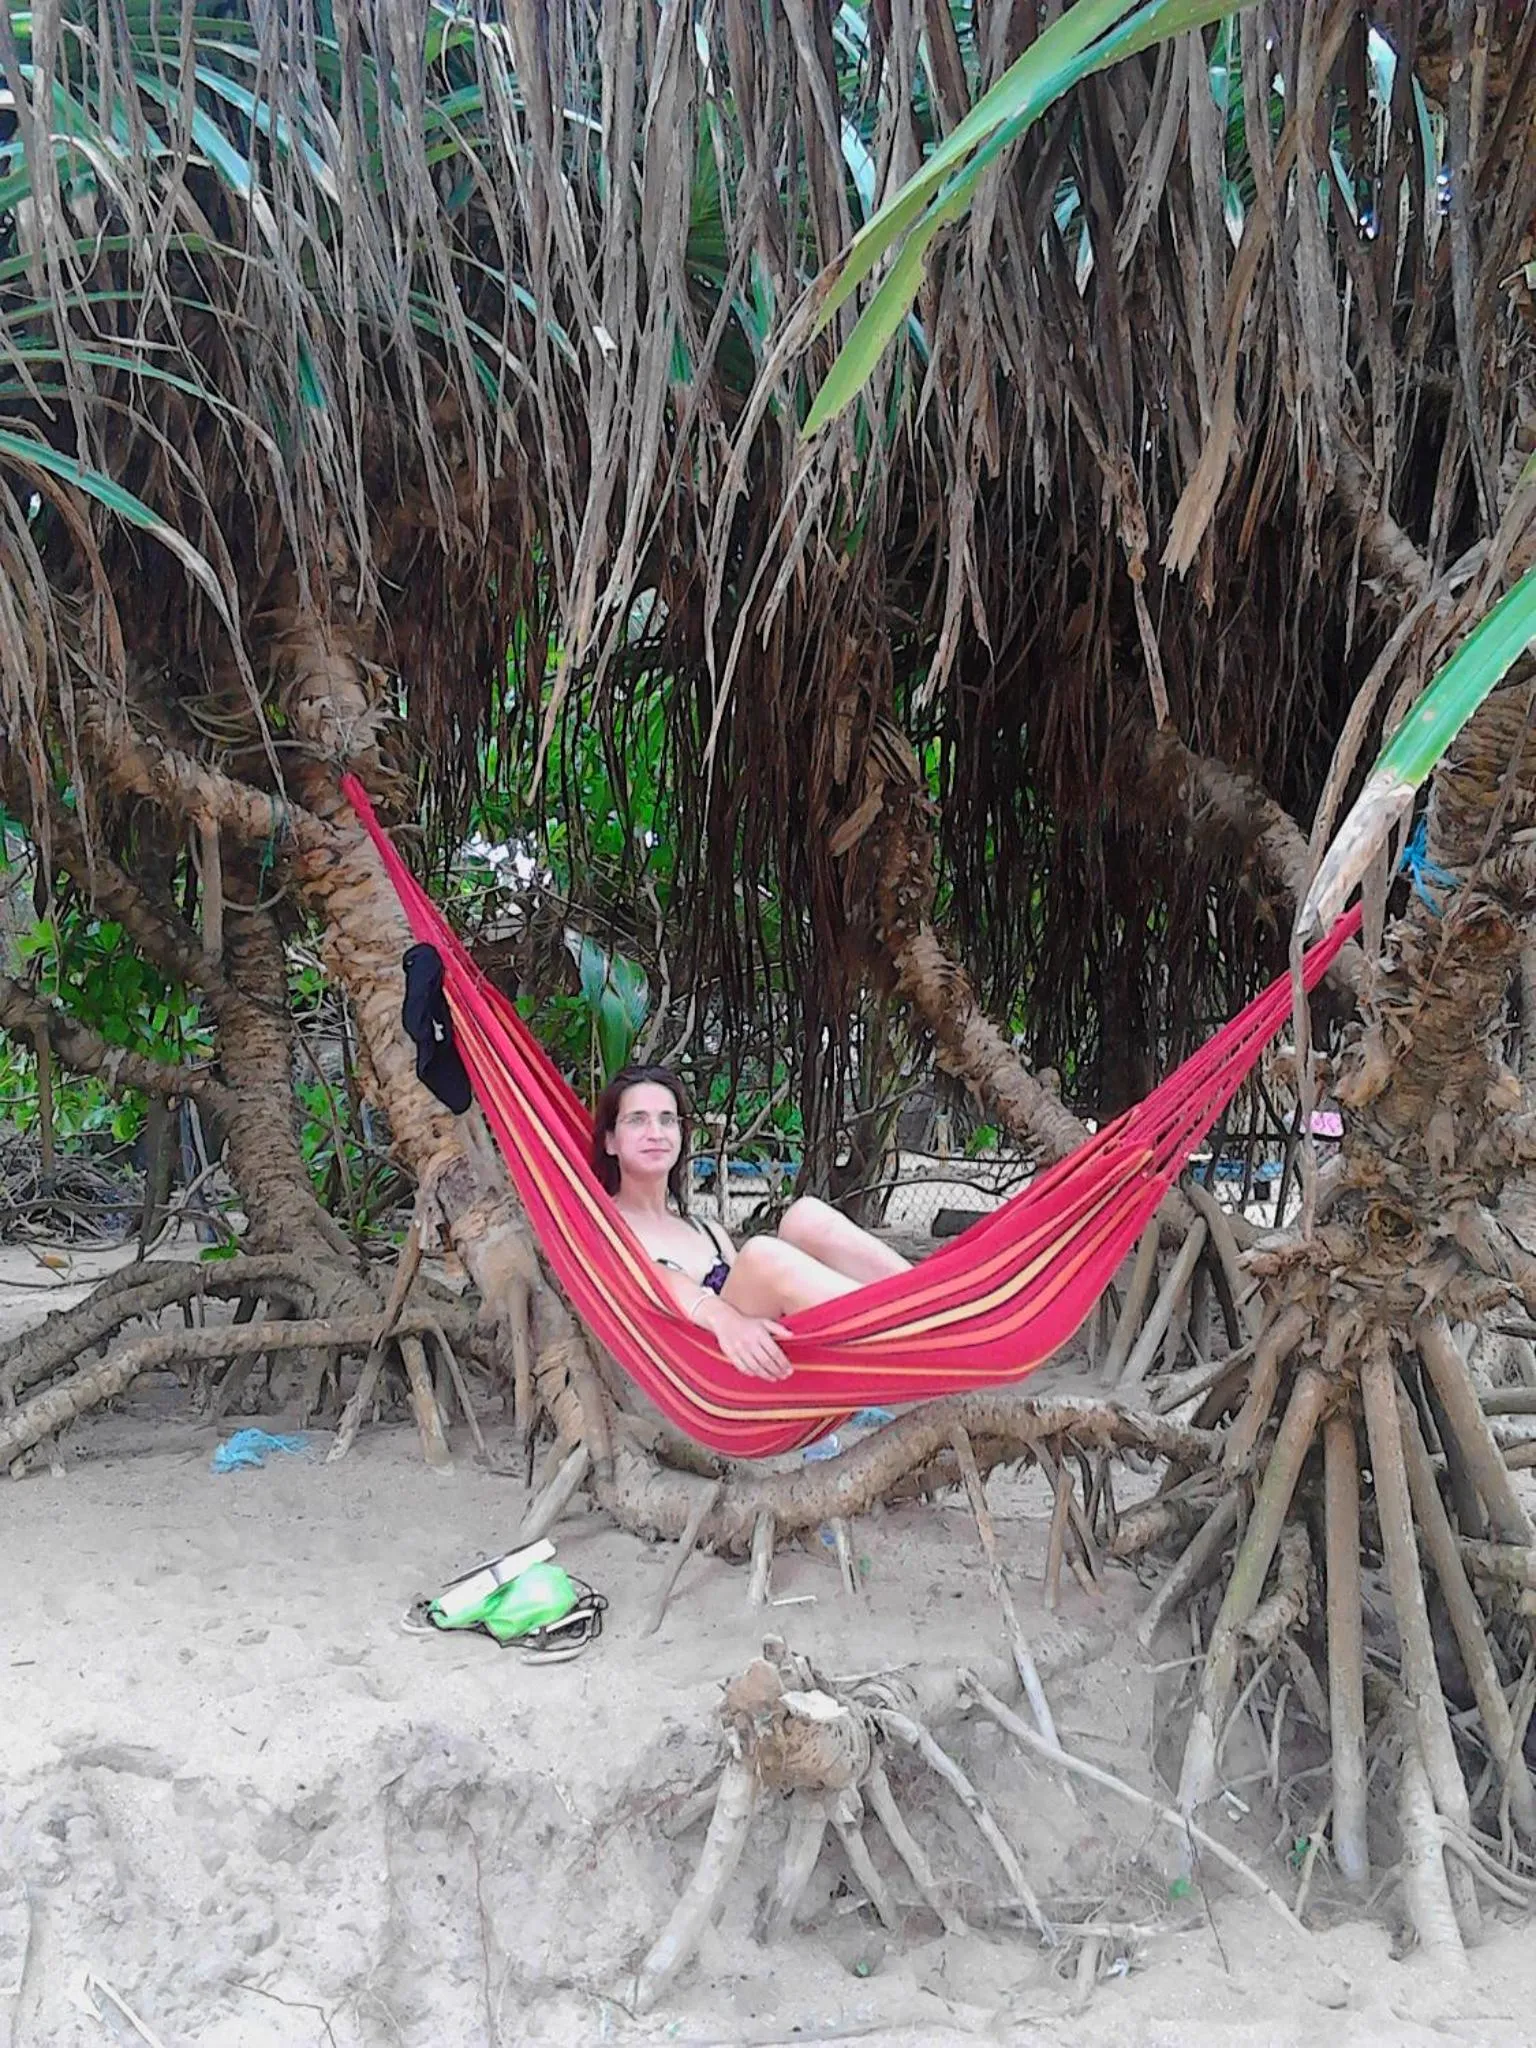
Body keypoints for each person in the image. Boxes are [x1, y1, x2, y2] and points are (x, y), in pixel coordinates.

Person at [591, 1064, 911, 1382]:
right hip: (700, 1384)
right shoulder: (604, 1227)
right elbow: (663, 1282)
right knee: (761, 1256)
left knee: (804, 1216)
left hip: (761, 1363)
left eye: (667, 1120)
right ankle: (909, 1336)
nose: (656, 1133)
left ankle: (929, 1307)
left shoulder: (706, 1231)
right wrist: (723, 1317)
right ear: (610, 1142)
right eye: (637, 1120)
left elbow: (753, 1295)